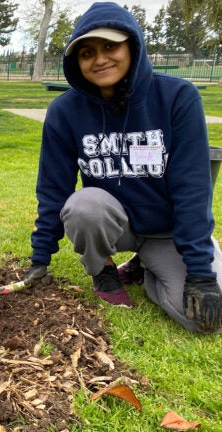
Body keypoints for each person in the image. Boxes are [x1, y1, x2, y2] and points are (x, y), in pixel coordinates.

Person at [25, 2, 222, 333]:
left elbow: (193, 187)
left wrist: (200, 273)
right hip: (114, 224)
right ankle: (104, 272)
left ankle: (147, 269)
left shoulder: (178, 98)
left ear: (132, 45)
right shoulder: (64, 112)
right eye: (87, 52)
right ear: (76, 62)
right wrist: (39, 258)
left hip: (166, 232)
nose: (100, 59)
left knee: (202, 320)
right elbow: (53, 189)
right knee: (84, 205)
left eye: (110, 46)